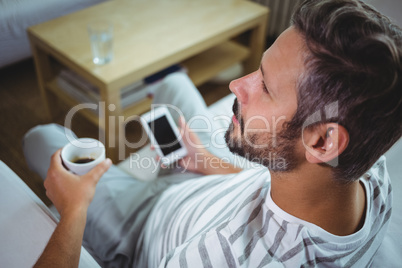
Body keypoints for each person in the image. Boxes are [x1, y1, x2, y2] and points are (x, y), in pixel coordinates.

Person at [24, 0, 402, 267]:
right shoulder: (369, 173)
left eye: (265, 87)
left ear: (322, 142)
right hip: (201, 182)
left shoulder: (220, 257)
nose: (237, 85)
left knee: (41, 139)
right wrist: (205, 163)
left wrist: (73, 209)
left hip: (140, 228)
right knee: (173, 84)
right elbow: (272, 197)